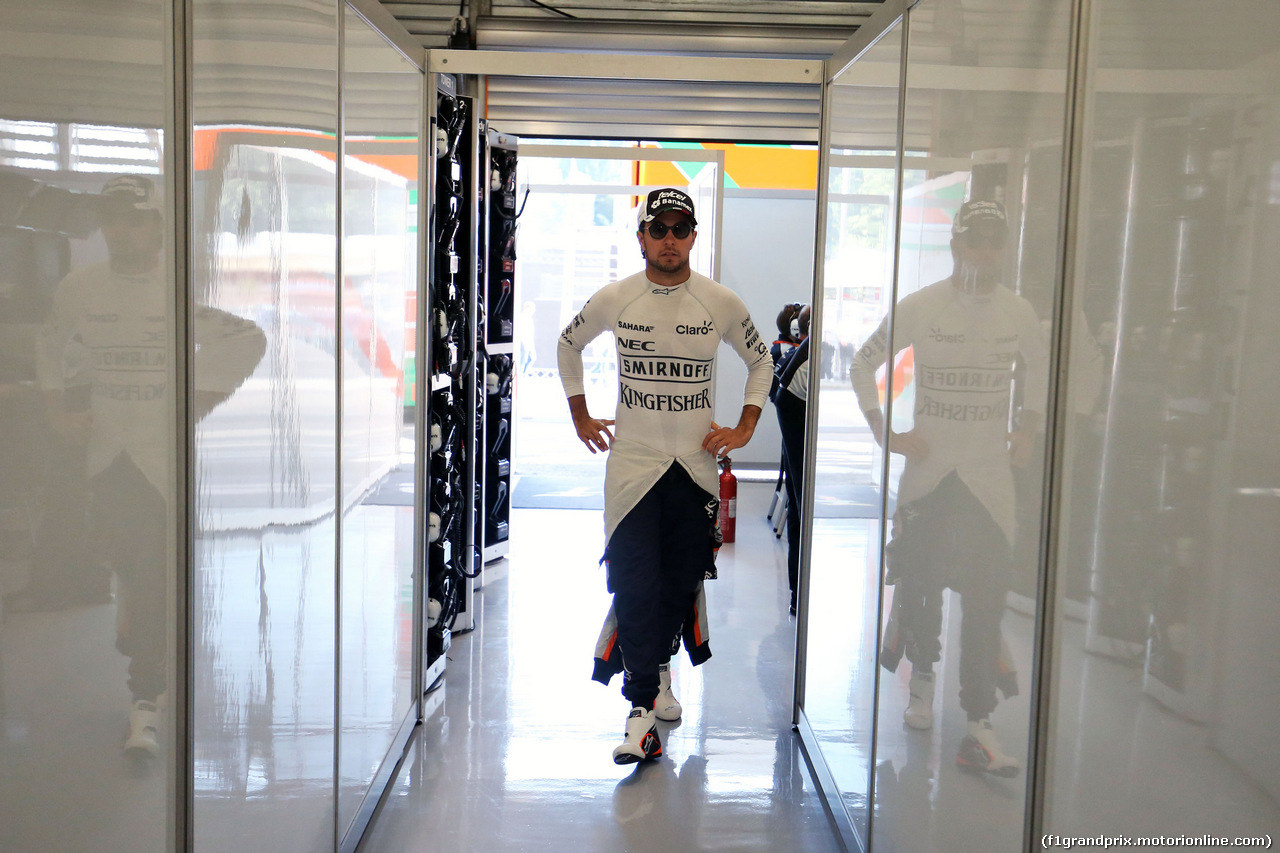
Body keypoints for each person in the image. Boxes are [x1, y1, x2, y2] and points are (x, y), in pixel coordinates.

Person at [36, 175, 265, 757]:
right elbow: (53, 344)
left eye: (134, 220)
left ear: (157, 228)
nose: (121, 230)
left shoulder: (178, 290)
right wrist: (60, 407)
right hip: (101, 458)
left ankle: (146, 700)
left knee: (152, 567)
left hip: (158, 463)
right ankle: (138, 627)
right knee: (125, 566)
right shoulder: (79, 287)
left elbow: (248, 338)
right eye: (112, 218)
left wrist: (199, 400)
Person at [558, 187, 772, 765]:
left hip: (695, 470)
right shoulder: (618, 297)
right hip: (631, 467)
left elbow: (762, 361)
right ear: (642, 237)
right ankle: (640, 711)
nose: (670, 239)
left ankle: (658, 676)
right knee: (632, 582)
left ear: (694, 236)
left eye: (681, 229)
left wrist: (746, 425)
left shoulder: (719, 301)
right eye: (660, 229)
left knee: (677, 586)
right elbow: (568, 343)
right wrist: (580, 413)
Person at [850, 199, 1047, 777]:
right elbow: (864, 363)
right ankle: (923, 687)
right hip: (930, 476)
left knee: (986, 605)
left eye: (994, 241)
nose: (983, 252)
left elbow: (1040, 365)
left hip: (989, 481)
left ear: (1002, 248)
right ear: (957, 246)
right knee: (921, 592)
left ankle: (979, 724)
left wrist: (1027, 427)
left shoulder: (1017, 311)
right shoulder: (920, 307)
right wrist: (884, 430)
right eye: (974, 241)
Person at [772, 304, 810, 616]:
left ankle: (799, 591)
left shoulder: (804, 347)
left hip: (792, 404)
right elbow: (779, 391)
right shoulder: (807, 350)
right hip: (793, 407)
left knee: (800, 505)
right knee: (801, 502)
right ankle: (799, 592)